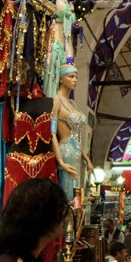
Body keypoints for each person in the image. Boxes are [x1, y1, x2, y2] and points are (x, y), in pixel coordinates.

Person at [52, 64, 93, 200]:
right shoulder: (56, 101)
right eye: (70, 76)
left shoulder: (73, 103)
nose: (74, 80)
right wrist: (60, 161)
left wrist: (87, 159)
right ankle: (65, 220)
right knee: (68, 196)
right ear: (61, 79)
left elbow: (76, 138)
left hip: (76, 153)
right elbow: (52, 133)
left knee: (77, 198)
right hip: (65, 153)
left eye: (76, 77)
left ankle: (73, 220)